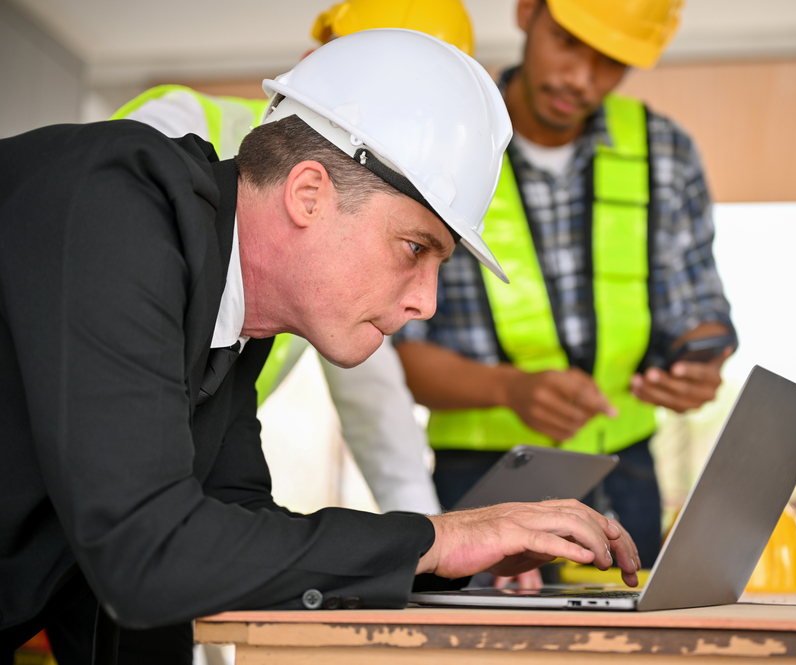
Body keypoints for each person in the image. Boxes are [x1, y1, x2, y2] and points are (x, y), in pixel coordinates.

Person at [0, 30, 640, 665]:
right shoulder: (116, 198)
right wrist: (436, 540)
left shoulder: (233, 310)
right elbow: (150, 552)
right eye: (415, 249)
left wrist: (449, 554)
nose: (427, 302)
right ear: (309, 194)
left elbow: (227, 529)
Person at [395, 0, 737, 567]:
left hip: (625, 475)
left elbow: (699, 309)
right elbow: (398, 354)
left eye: (611, 61)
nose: (580, 78)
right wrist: (511, 390)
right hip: (479, 482)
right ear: (528, 11)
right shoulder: (442, 142)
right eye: (569, 42)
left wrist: (700, 366)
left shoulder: (665, 152)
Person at [108, 0, 477, 517]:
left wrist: (436, 541)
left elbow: (374, 401)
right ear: (314, 63)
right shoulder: (178, 136)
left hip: (203, 450)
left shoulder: (358, 250)